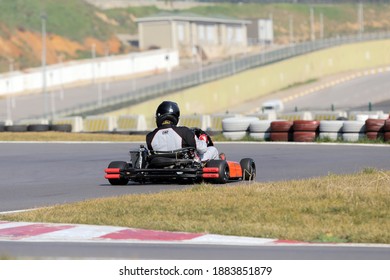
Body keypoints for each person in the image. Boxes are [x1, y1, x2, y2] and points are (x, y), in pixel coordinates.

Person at [146, 101, 220, 162]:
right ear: (175, 116)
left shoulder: (150, 137)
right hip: (182, 166)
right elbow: (202, 149)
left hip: (160, 166)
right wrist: (202, 140)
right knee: (213, 150)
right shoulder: (184, 131)